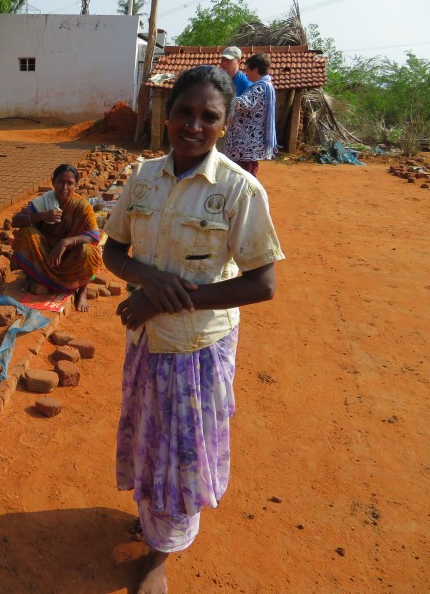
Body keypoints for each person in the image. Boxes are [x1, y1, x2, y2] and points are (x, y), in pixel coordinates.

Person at [102, 65, 285, 594]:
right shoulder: (143, 177)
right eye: (184, 112)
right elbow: (114, 249)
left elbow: (262, 284)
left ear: (225, 125)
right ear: (167, 115)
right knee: (149, 438)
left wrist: (163, 300)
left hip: (197, 350)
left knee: (181, 453)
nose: (194, 125)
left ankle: (160, 554)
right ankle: (151, 516)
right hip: (146, 341)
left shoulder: (239, 190)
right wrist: (145, 278)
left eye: (209, 116)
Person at [11, 164, 102, 312]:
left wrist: (65, 243)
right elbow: (16, 221)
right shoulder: (45, 201)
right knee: (25, 233)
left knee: (89, 250)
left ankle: (82, 291)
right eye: (60, 182)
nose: (64, 187)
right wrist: (42, 215)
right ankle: (39, 279)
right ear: (53, 182)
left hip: (72, 254)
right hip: (49, 253)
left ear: (75, 185)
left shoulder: (82, 206)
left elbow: (94, 235)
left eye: (69, 183)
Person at [224, 52, 278, 177]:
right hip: (249, 143)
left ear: (256, 70)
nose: (246, 72)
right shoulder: (266, 86)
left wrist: (220, 94)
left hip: (245, 144)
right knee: (246, 175)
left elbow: (240, 103)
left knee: (243, 177)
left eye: (247, 69)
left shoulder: (259, 88)